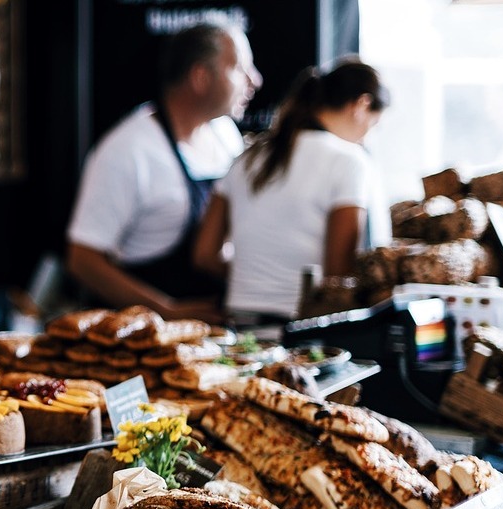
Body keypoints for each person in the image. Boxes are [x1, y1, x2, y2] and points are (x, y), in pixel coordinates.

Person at [66, 19, 262, 322]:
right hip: (143, 338)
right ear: (200, 77)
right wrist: (166, 311)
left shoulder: (224, 134)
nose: (255, 80)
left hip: (216, 330)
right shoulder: (128, 150)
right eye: (239, 68)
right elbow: (83, 260)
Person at [192, 59, 390, 322]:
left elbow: (204, 255)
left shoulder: (248, 157)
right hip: (304, 332)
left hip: (240, 326)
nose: (367, 136)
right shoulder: (350, 161)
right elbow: (338, 276)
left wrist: (256, 277)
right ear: (362, 105)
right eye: (374, 126)